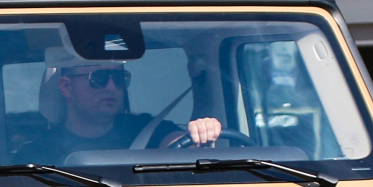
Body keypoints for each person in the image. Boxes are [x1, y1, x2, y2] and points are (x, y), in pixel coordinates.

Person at [17, 55, 223, 154]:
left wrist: (199, 134)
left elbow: (175, 143)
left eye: (118, 77)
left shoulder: (147, 129)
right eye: (99, 78)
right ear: (66, 87)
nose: (111, 86)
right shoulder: (36, 153)